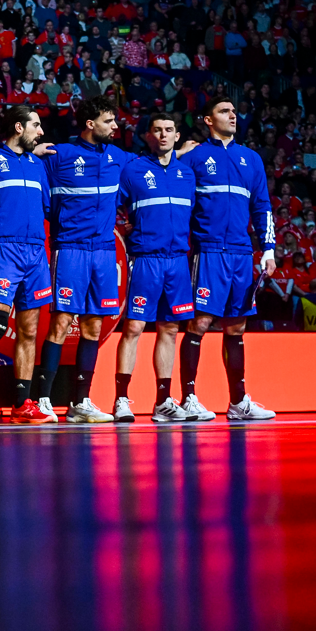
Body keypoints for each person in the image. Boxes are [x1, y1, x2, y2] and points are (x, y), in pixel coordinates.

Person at [179, 96, 277, 421]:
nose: (232, 115)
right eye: (224, 111)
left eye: (234, 111)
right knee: (200, 322)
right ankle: (188, 398)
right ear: (208, 119)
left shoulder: (251, 159)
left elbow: (262, 207)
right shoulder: (195, 157)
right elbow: (182, 207)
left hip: (241, 254)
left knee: (236, 327)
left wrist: (269, 249)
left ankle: (238, 402)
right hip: (207, 252)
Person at [37, 96, 131, 424]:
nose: (116, 127)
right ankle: (43, 399)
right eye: (109, 122)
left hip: (104, 252)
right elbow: (32, 175)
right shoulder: (59, 155)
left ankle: (81, 402)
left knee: (93, 325)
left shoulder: (118, 156)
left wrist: (182, 153)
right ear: (91, 124)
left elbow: (153, 166)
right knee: (62, 321)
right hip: (70, 249)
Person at [0, 105, 55, 425]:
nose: (41, 132)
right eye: (36, 125)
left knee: (30, 330)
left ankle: (22, 402)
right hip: (3, 250)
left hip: (35, 253)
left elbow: (44, 207)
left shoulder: (37, 165)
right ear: (19, 128)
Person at [115, 113, 204, 423]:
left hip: (178, 261)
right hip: (145, 259)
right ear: (148, 136)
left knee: (169, 330)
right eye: (157, 130)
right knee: (134, 328)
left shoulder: (187, 174)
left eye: (169, 130)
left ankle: (164, 401)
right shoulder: (133, 170)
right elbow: (113, 208)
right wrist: (124, 228)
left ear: (177, 136)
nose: (164, 135)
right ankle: (121, 399)